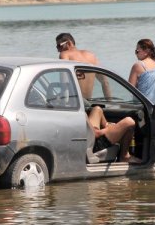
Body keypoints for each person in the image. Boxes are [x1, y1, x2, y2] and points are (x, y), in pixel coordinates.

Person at [55, 33, 139, 163]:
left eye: (58, 47)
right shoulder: (92, 57)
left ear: (68, 43)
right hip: (86, 107)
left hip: (77, 105)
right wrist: (110, 104)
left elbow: (65, 85)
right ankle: (124, 155)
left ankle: (122, 155)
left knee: (98, 109)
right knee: (102, 111)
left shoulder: (65, 55)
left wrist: (63, 105)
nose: (58, 51)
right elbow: (105, 82)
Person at [128, 39, 155, 104]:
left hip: (145, 106)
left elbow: (128, 90)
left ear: (146, 51)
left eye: (137, 51)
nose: (136, 54)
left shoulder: (138, 65)